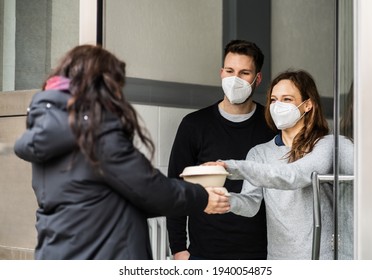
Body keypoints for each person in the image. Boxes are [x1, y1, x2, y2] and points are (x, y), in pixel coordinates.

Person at [13, 44, 229, 260]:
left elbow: (108, 200)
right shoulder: (96, 134)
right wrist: (202, 197)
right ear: (103, 84)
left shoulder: (52, 134)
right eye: (117, 85)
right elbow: (150, 189)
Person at [206, 69, 354, 259]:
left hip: (321, 259)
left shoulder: (327, 146)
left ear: (307, 105)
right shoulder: (259, 153)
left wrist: (231, 167)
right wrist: (227, 201)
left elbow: (293, 176)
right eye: (274, 100)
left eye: (287, 99)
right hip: (279, 259)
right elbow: (251, 204)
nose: (277, 106)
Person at [167, 40, 275, 260]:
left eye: (244, 72)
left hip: (259, 252)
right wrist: (178, 248)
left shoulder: (271, 126)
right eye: (230, 70)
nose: (235, 79)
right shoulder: (194, 125)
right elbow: (176, 188)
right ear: (221, 73)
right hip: (205, 251)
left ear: (257, 78)